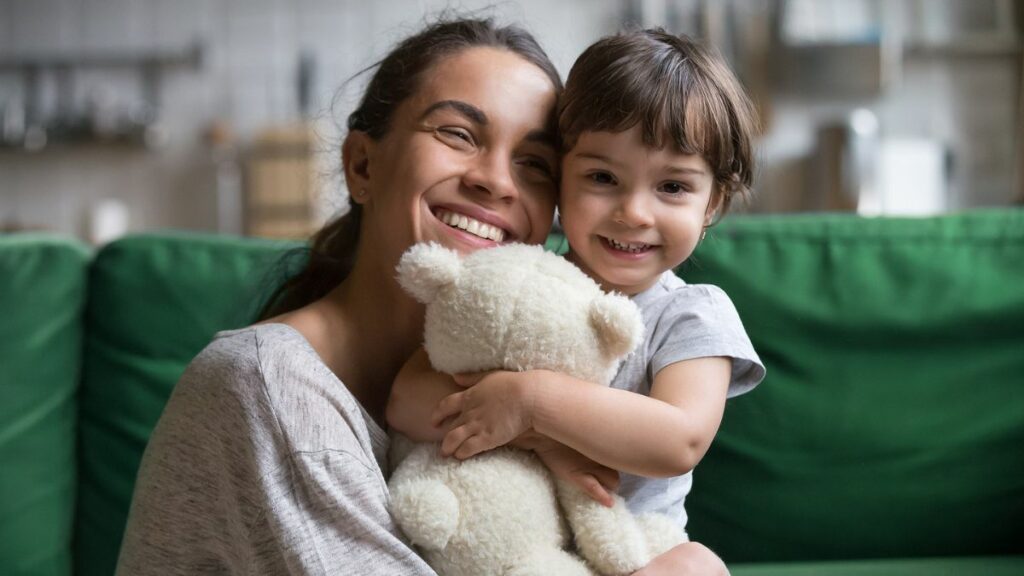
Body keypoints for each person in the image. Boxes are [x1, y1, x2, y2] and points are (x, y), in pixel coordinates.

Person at [115, 18, 563, 575]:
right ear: (362, 165)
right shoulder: (266, 384)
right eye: (458, 134)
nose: (497, 181)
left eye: (536, 164)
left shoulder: (517, 397)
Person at [387, 28, 765, 575]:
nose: (634, 212)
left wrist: (534, 404)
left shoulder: (692, 313)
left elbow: (677, 439)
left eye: (674, 188)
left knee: (697, 567)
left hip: (635, 550)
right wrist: (543, 444)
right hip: (519, 543)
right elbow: (407, 399)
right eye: (602, 177)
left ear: (713, 203)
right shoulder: (517, 282)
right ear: (560, 177)